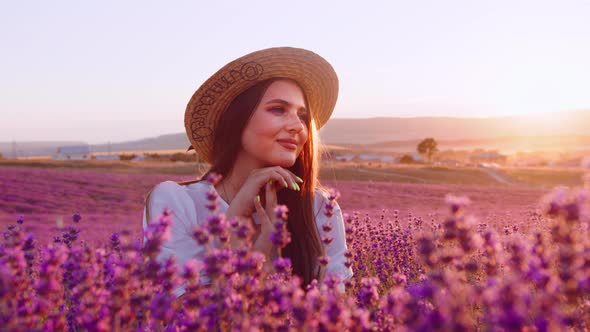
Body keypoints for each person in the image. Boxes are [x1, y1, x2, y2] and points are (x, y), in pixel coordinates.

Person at [142, 47, 352, 297]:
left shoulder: (319, 207)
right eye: (278, 109)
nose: (297, 126)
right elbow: (181, 316)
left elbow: (337, 314)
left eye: (302, 115)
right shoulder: (177, 203)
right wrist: (237, 247)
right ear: (237, 119)